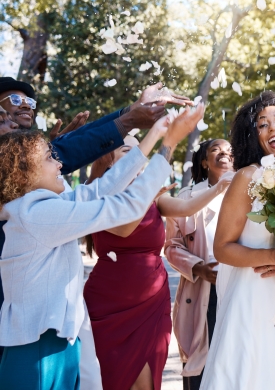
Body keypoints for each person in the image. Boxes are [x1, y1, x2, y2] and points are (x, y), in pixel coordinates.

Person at [0, 106, 200, 389]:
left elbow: (101, 188)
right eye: (49, 158)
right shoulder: (35, 215)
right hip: (37, 350)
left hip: (59, 342)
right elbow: (124, 206)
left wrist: (156, 132)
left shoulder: (42, 205)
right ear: (24, 171)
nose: (59, 164)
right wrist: (168, 146)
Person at [83, 134, 231, 390]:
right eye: (126, 150)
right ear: (110, 159)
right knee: (114, 378)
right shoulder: (101, 193)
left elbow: (186, 208)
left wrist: (219, 188)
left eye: (139, 150)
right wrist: (147, 197)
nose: (136, 155)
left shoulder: (150, 193)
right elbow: (125, 230)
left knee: (148, 381)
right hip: (111, 300)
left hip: (152, 300)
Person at [199, 91, 275, 390]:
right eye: (262, 124)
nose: (273, 127)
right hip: (250, 298)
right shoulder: (247, 177)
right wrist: (274, 257)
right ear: (253, 136)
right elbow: (222, 248)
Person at [164, 138, 234, 390]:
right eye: (216, 150)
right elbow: (171, 246)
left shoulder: (252, 193)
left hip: (239, 289)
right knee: (199, 365)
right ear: (204, 161)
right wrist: (199, 268)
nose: (224, 154)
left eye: (230, 151)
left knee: (235, 360)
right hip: (203, 292)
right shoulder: (187, 198)